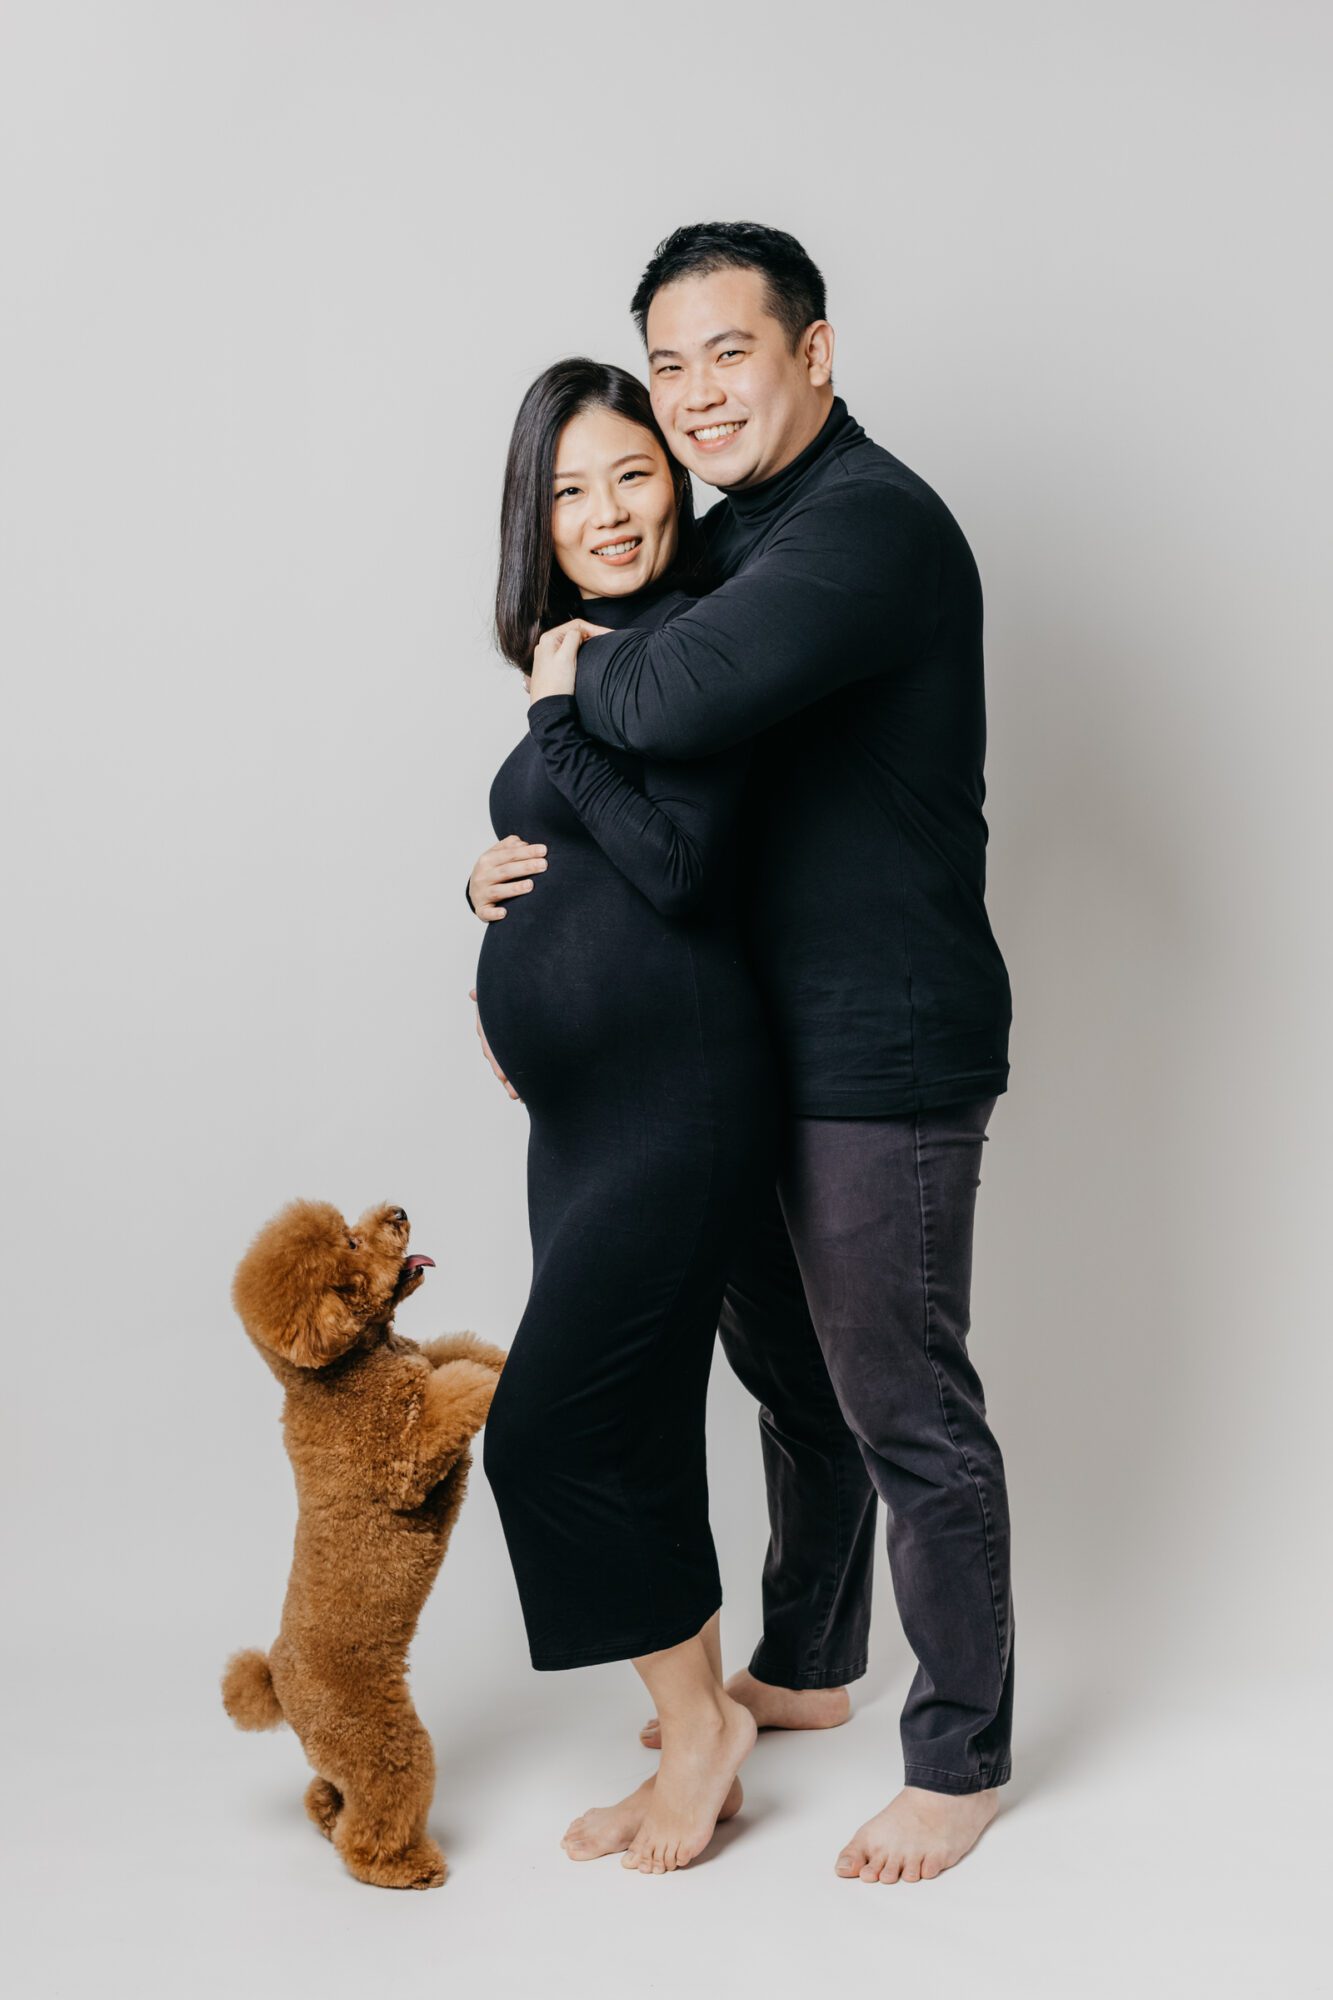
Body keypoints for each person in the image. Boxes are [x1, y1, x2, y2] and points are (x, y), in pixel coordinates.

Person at [515, 221, 1016, 1888]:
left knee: (899, 1407)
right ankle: (802, 1666)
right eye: (670, 364)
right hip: (744, 1048)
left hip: (881, 1044)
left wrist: (575, 671)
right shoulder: (744, 535)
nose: (696, 392)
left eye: (729, 351)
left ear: (813, 353)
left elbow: (660, 706)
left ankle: (957, 1757)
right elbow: (652, 798)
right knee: (791, 1387)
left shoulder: (864, 528)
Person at [468, 358, 781, 1875]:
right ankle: (700, 1705)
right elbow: (573, 836)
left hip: (680, 1095)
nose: (601, 511)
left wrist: (560, 712)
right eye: (569, 488)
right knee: (640, 1424)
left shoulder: (696, 650)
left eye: (633, 475)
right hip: (581, 1120)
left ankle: (703, 1734)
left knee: (546, 1432)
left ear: (679, 483)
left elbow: (680, 868)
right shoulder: (591, 649)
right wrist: (483, 893)